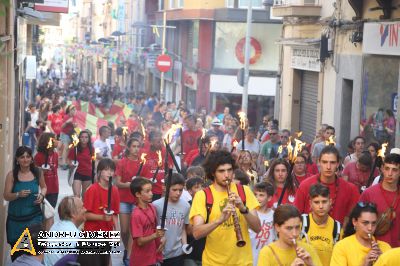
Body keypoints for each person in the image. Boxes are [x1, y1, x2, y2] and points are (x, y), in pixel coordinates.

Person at [189, 150, 261, 266]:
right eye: (221, 171)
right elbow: (197, 233)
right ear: (213, 173)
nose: (227, 175)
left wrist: (243, 209)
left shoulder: (244, 191)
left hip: (243, 262)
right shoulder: (203, 195)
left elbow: (257, 228)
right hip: (213, 263)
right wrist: (219, 220)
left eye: (229, 170)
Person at [294, 145, 360, 224]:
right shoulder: (305, 185)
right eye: (325, 162)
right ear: (319, 162)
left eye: (332, 162)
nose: (328, 167)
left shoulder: (350, 189)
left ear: (338, 164)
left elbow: (354, 219)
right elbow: (296, 216)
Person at [4, 146, 47, 262]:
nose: (25, 159)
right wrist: (18, 194)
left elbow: (44, 187)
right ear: (17, 159)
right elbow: (6, 195)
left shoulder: (38, 172)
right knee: (17, 255)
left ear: (32, 159)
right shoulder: (11, 175)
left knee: (34, 253)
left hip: (34, 219)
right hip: (16, 222)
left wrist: (42, 195)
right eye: (22, 157)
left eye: (28, 156)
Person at [115, 138, 149, 265]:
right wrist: (129, 184)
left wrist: (139, 181)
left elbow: (146, 181)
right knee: (124, 230)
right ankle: (126, 249)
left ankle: (129, 255)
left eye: (138, 146)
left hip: (137, 200)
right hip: (123, 198)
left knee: (132, 230)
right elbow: (117, 183)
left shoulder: (142, 162)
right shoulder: (122, 162)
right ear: (128, 147)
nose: (136, 149)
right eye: (134, 146)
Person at [83, 158, 120, 266]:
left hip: (107, 233)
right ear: (99, 172)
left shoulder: (115, 190)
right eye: (106, 170)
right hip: (92, 233)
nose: (110, 173)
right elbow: (85, 215)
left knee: (106, 260)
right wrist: (102, 218)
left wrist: (116, 232)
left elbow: (115, 214)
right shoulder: (92, 189)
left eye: (112, 170)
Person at [257, 204, 322, 266]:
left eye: (297, 227)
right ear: (277, 227)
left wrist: (311, 264)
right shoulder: (267, 253)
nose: (294, 233)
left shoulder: (308, 249)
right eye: (289, 228)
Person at [360, 153, 400, 247]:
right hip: (374, 250)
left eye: (394, 170)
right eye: (387, 168)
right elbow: (358, 223)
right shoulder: (369, 193)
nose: (390, 173)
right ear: (382, 169)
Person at [154, 173, 191, 265]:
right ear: (165, 188)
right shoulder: (156, 205)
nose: (178, 193)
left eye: (180, 190)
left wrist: (185, 244)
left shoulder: (186, 206)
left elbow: (182, 228)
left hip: (177, 254)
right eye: (174, 190)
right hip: (158, 252)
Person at [300, 184, 341, 266]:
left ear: (330, 202)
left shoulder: (337, 229)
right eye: (316, 202)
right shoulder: (300, 223)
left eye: (324, 201)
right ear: (310, 203)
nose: (321, 206)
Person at [130, 177, 164, 266]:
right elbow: (140, 242)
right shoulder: (136, 214)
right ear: (138, 194)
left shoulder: (152, 207)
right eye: (147, 191)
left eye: (151, 190)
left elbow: (154, 228)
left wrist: (161, 240)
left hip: (153, 256)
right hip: (141, 260)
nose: (151, 194)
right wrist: (155, 235)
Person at [44, 196, 86, 266]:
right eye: (82, 207)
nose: (85, 209)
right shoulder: (73, 235)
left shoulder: (57, 225)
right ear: (73, 214)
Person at [33, 132, 59, 230]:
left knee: (50, 214)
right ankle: (43, 237)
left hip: (54, 189)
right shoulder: (38, 156)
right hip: (42, 189)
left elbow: (55, 169)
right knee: (43, 216)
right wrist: (41, 170)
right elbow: (34, 173)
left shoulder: (55, 155)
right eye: (54, 139)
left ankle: (47, 239)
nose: (57, 141)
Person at [250, 182, 275, 266]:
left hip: (268, 258)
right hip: (251, 258)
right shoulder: (249, 214)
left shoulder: (274, 215)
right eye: (255, 195)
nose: (257, 198)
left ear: (269, 198)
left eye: (261, 195)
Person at [67, 130, 94, 198]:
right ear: (79, 138)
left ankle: (83, 208)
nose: (84, 139)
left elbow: (94, 161)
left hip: (88, 173)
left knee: (85, 196)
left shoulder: (91, 149)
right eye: (82, 137)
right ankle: (77, 208)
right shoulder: (74, 148)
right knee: (77, 195)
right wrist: (71, 164)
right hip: (77, 173)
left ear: (88, 139)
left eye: (86, 137)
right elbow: (68, 160)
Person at [60, 105, 77, 169]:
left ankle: (66, 162)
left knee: (69, 148)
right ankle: (63, 163)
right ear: (70, 111)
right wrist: (67, 122)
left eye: (75, 110)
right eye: (73, 110)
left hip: (71, 134)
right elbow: (62, 127)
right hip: (65, 134)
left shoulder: (74, 117)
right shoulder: (66, 116)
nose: (74, 111)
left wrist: (75, 125)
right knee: (66, 147)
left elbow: (75, 126)